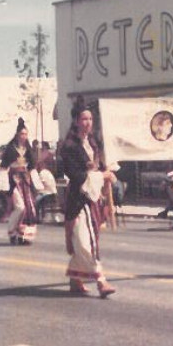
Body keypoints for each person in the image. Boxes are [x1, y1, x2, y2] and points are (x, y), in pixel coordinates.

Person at [59, 101, 117, 297]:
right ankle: (101, 281)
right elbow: (76, 175)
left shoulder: (93, 142)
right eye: (84, 119)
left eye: (90, 119)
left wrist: (107, 173)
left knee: (85, 239)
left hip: (92, 198)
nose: (88, 122)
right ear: (76, 121)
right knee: (85, 242)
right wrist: (101, 176)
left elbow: (98, 168)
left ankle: (76, 279)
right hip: (78, 198)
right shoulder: (69, 146)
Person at [1, 118, 39, 244]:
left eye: (26, 134)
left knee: (29, 208)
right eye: (22, 134)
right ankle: (12, 231)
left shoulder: (28, 149)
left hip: (25, 182)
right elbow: (4, 166)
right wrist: (3, 184)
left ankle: (24, 235)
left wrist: (37, 182)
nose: (24, 136)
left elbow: (32, 167)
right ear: (17, 135)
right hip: (13, 181)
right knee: (20, 207)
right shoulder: (11, 149)